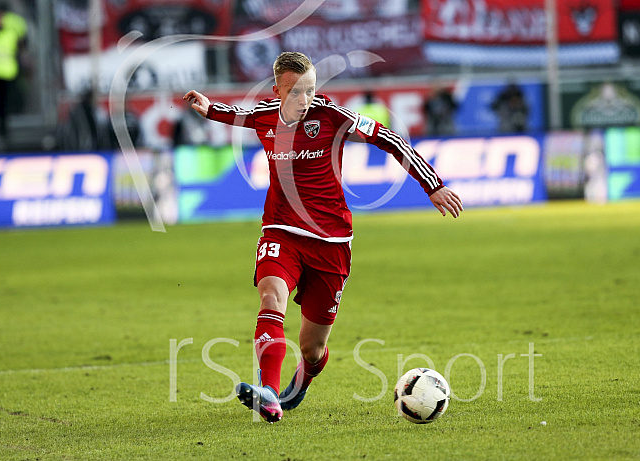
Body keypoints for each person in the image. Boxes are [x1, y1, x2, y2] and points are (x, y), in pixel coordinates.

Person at [183, 52, 462, 423]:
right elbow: (235, 115)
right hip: (281, 230)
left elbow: (391, 139)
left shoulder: (332, 116)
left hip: (331, 243)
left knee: (312, 350)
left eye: (310, 90)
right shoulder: (265, 115)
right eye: (295, 92)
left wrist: (433, 185)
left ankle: (299, 383)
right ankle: (268, 392)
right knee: (270, 295)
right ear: (277, 90)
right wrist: (207, 108)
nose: (304, 99)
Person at [0, 1, 27, 148]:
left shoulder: (11, 32)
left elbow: (22, 38)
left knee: (2, 105)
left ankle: (3, 134)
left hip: (6, 74)